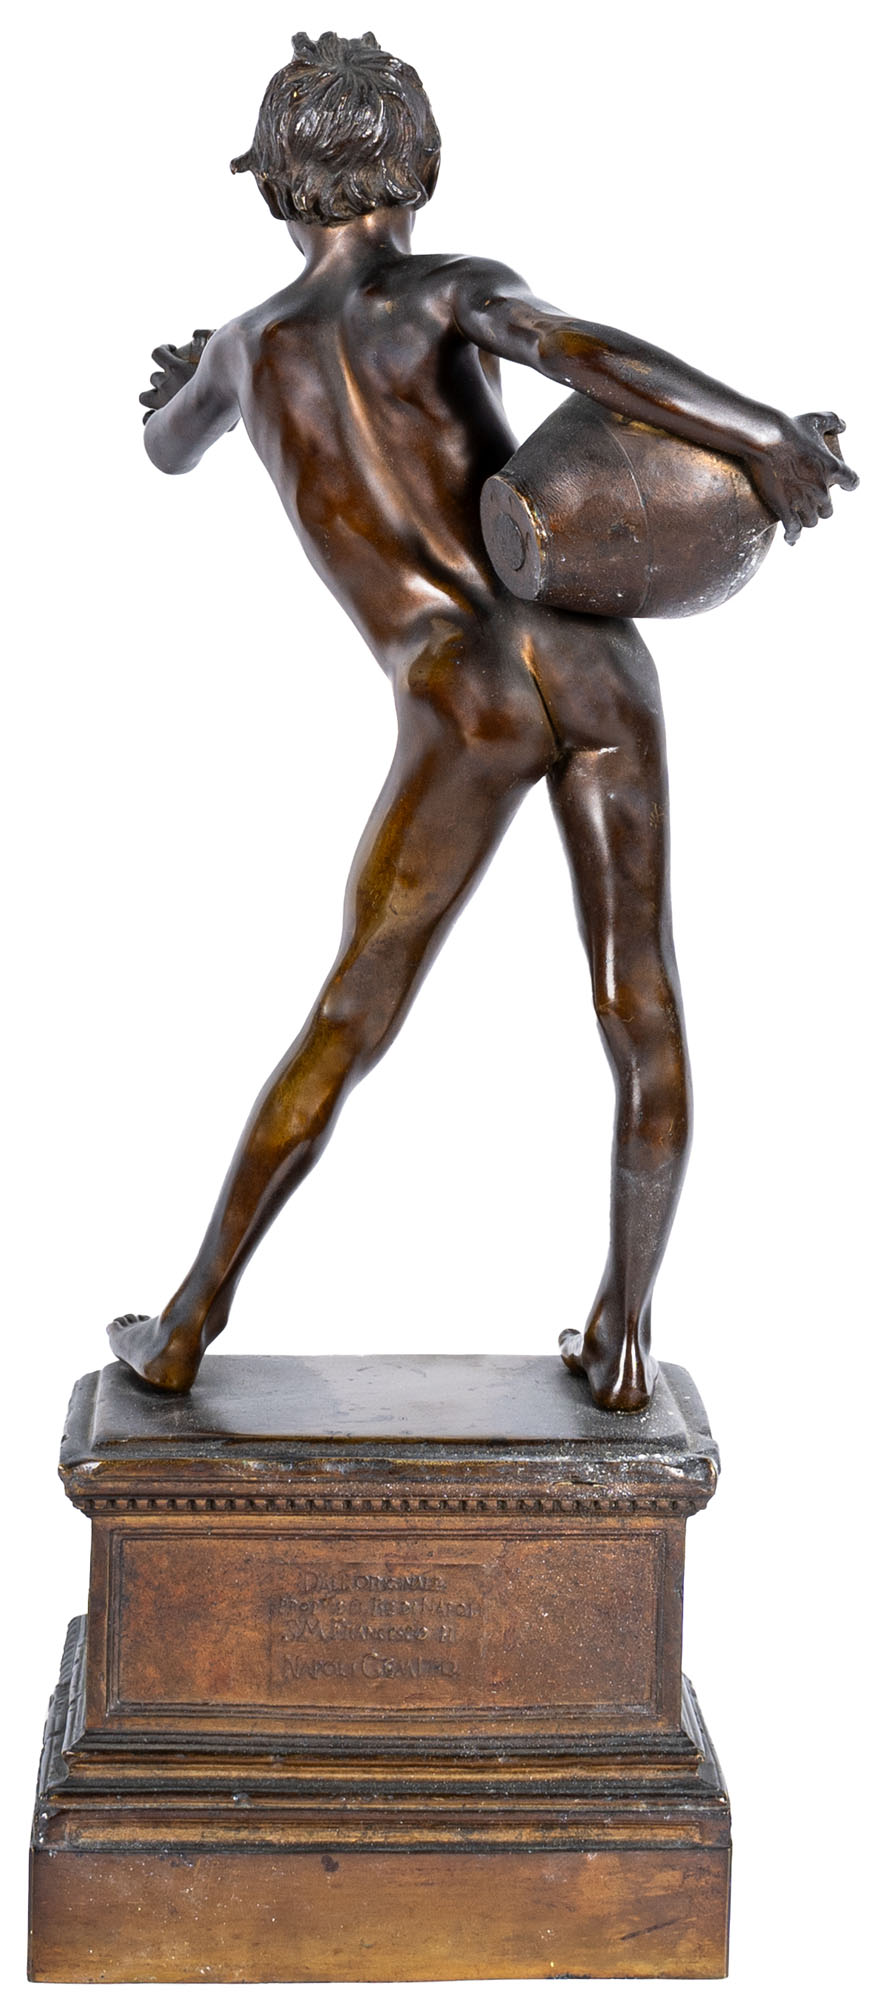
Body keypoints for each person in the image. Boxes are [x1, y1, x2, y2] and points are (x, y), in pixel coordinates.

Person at [109, 30, 856, 1408]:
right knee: (640, 996)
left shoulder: (243, 352)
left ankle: (184, 1327)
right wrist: (757, 435)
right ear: (426, 168)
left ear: (268, 185)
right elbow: (580, 353)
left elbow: (165, 444)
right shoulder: (449, 291)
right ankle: (621, 1342)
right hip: (590, 658)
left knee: (353, 1010)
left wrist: (182, 393)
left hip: (456, 694)